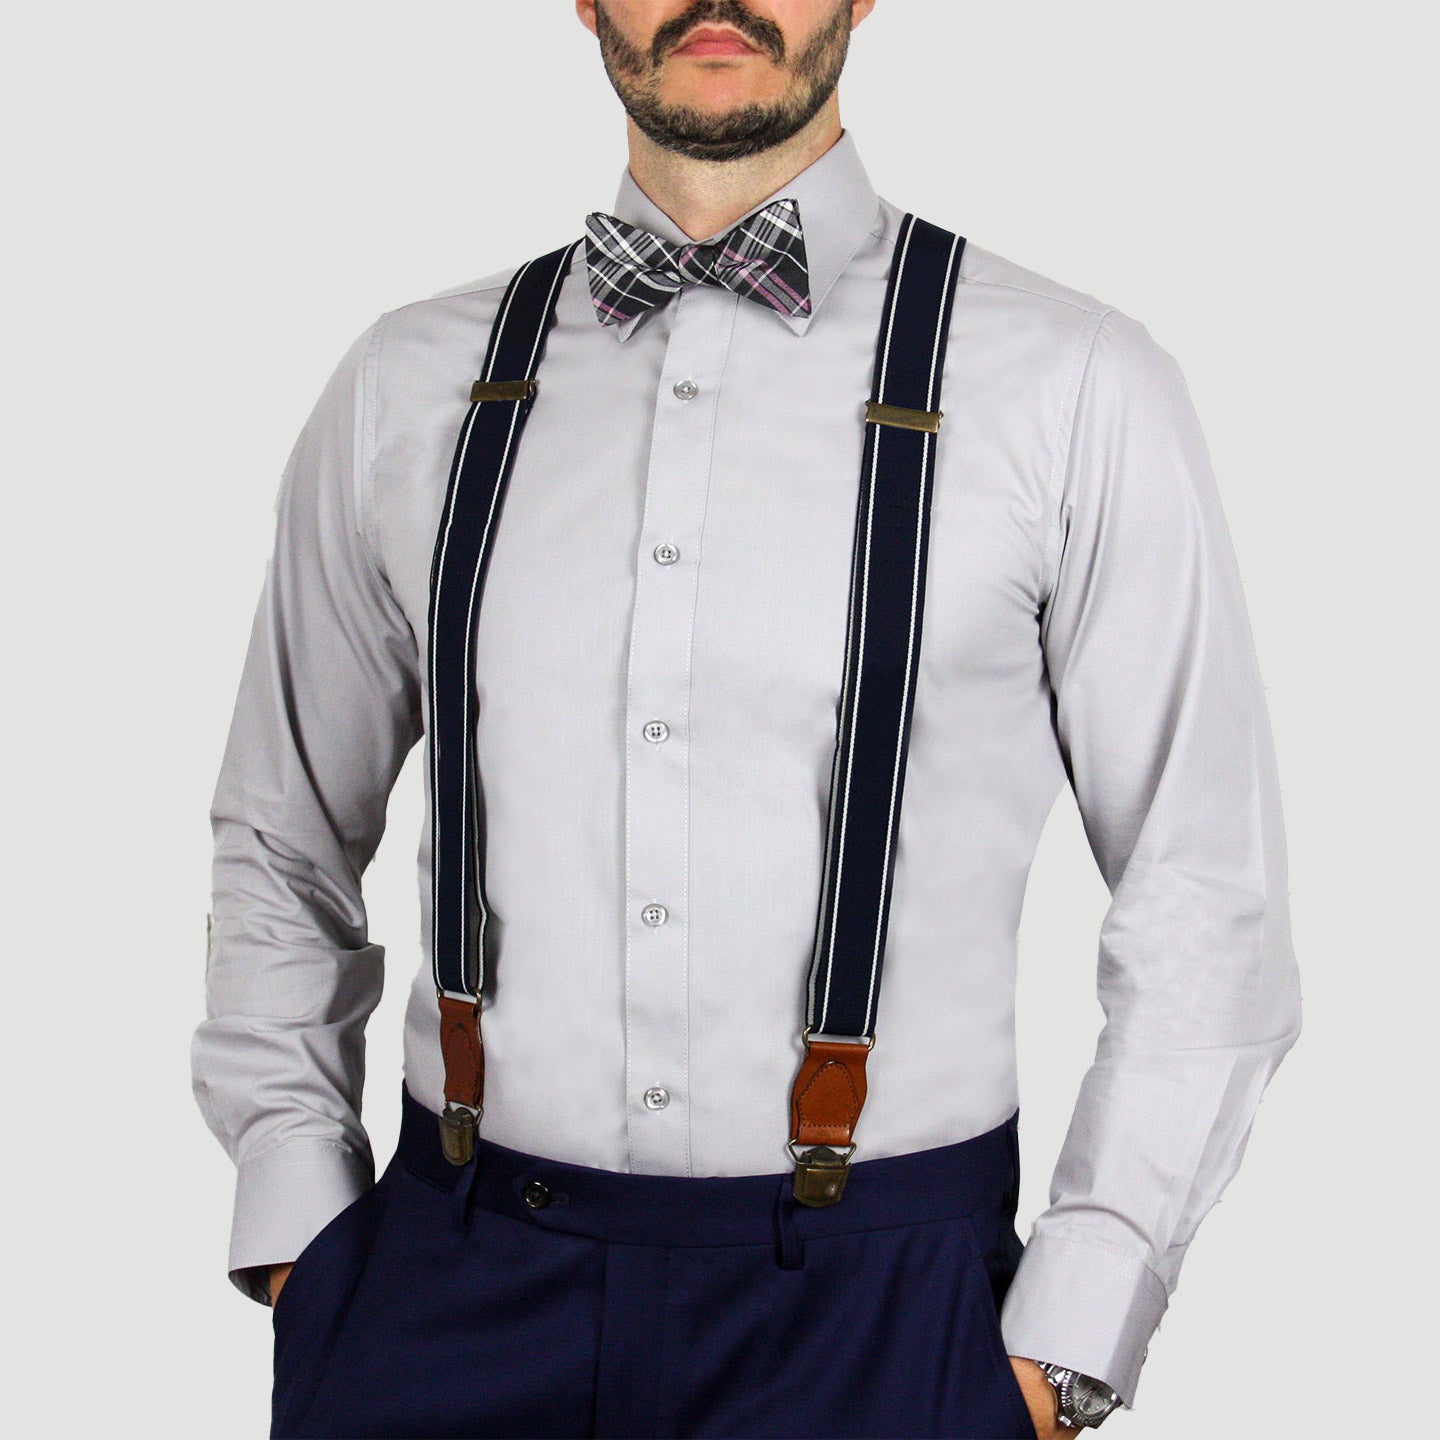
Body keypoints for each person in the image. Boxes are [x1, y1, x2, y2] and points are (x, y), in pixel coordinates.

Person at [191, 2, 1303, 1437]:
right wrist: (305, 1235)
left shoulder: (1076, 386)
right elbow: (281, 833)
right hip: (447, 1295)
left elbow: (1205, 890)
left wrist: (1067, 1338)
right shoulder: (406, 384)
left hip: (886, 1323)